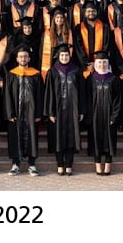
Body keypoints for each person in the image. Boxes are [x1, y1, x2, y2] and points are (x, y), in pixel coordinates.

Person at [4, 45, 43, 176]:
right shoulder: (11, 74)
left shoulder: (36, 74)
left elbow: (40, 95)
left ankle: (32, 164)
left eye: (25, 56)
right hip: (16, 112)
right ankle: (15, 164)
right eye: (21, 56)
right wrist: (9, 112)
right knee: (15, 137)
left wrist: (38, 113)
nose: (23, 58)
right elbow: (7, 95)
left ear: (29, 58)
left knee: (32, 137)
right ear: (17, 59)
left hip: (31, 113)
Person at [44, 43, 82, 176]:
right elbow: (48, 93)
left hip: (72, 110)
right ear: (58, 56)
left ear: (70, 55)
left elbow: (82, 92)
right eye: (62, 55)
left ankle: (69, 164)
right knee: (58, 138)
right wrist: (50, 112)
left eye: (66, 55)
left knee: (71, 137)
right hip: (58, 111)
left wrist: (81, 110)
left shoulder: (76, 71)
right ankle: (60, 164)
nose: (65, 57)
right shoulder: (53, 71)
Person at [82, 51, 121, 176]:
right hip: (95, 115)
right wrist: (88, 115)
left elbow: (117, 99)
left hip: (109, 115)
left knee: (110, 139)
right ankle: (98, 165)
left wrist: (114, 116)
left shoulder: (114, 79)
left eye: (104, 62)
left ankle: (108, 165)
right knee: (95, 140)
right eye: (99, 62)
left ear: (108, 64)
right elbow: (87, 97)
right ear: (95, 64)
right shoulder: (90, 79)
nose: (102, 65)